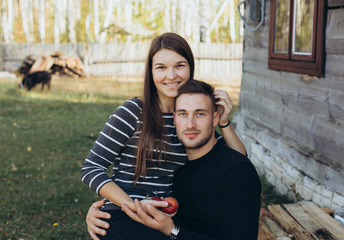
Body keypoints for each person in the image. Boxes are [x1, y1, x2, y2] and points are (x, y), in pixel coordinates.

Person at [81, 33, 246, 240]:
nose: (171, 75)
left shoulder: (189, 117)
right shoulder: (132, 113)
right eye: (161, 67)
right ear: (150, 72)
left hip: (167, 216)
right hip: (124, 215)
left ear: (190, 68)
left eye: (179, 66)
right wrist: (133, 207)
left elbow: (238, 163)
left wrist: (224, 122)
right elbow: (91, 168)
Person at [87, 80, 261, 240]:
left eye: (200, 114)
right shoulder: (175, 169)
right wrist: (108, 212)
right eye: (183, 114)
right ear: (173, 119)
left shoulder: (236, 172)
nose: (190, 124)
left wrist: (172, 230)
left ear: (215, 118)